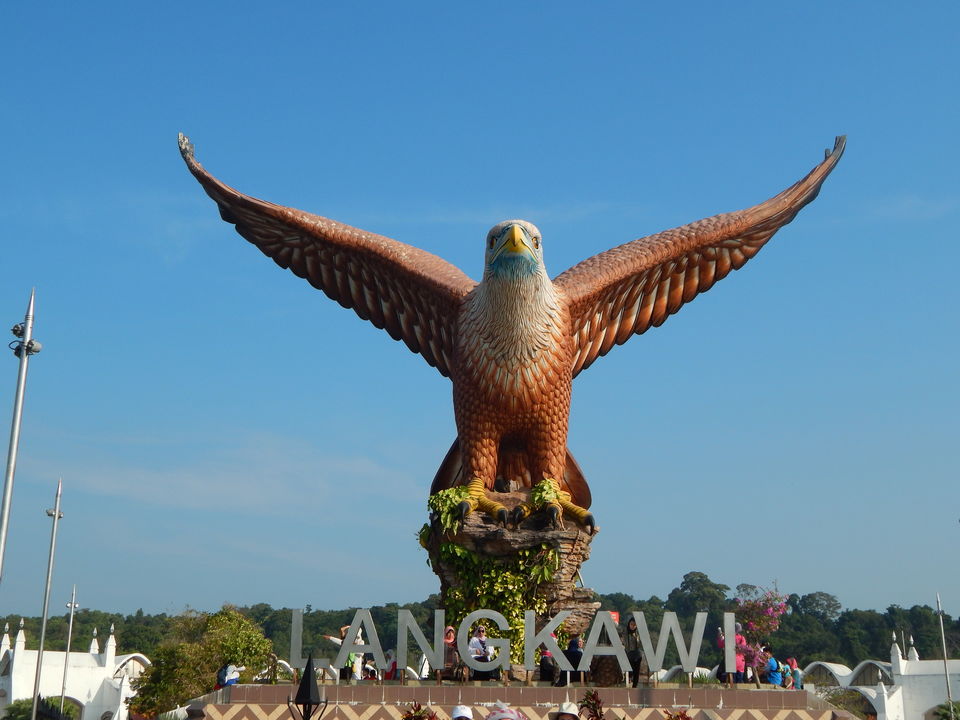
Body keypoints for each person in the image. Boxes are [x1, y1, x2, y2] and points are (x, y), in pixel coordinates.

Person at [622, 617, 643, 687]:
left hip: (637, 654)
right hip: (628, 653)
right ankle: (629, 679)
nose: (633, 626)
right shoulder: (625, 631)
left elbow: (640, 644)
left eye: (634, 625)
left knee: (636, 670)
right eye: (631, 624)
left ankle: (635, 686)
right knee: (630, 669)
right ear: (629, 624)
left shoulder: (638, 633)